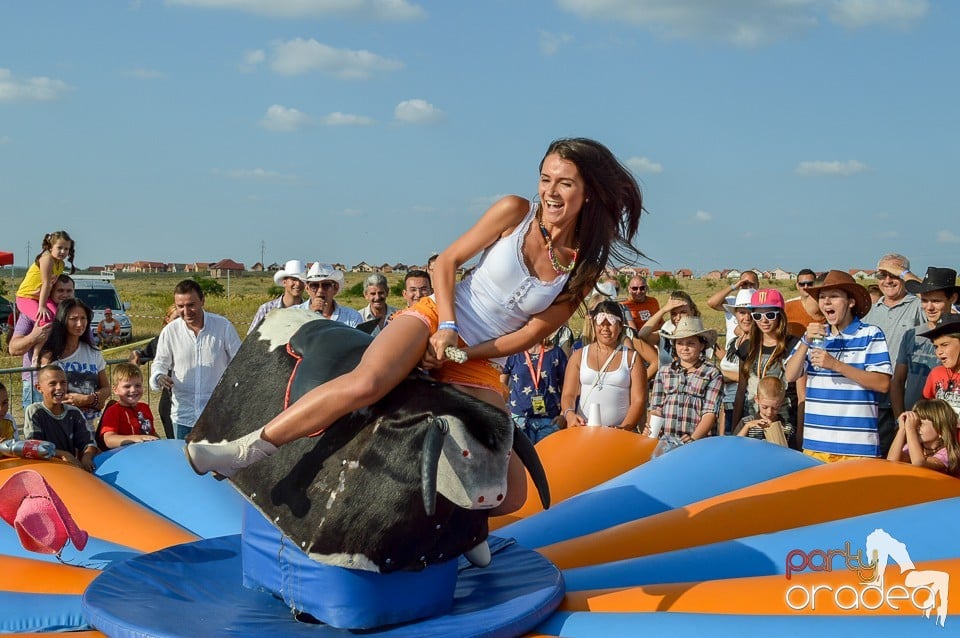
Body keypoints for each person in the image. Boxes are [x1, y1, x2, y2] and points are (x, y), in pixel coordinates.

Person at [186, 137, 645, 514]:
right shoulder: (514, 211)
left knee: (512, 491)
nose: (550, 191)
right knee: (367, 383)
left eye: (564, 183)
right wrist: (445, 327)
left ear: (588, 194)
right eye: (545, 178)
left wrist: (464, 353)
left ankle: (456, 531)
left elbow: (529, 335)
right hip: (437, 315)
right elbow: (447, 262)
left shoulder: (582, 269)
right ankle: (245, 450)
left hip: (478, 357)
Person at [785, 270, 892, 461]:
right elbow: (790, 376)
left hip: (858, 447)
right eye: (822, 297)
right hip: (816, 444)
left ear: (851, 302)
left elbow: (882, 383)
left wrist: (835, 365)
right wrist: (806, 341)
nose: (826, 302)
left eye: (834, 296)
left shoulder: (870, 334)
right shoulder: (814, 335)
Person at [150, 279, 241, 440]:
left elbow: (240, 363)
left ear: (202, 300)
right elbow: (160, 363)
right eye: (180, 306)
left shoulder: (223, 326)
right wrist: (159, 376)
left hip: (217, 415)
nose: (186, 311)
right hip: (183, 416)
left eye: (191, 305)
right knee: (184, 463)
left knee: (216, 464)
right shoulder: (170, 331)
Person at [864, 253, 925, 456]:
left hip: (910, 399)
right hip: (877, 400)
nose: (888, 281)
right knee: (878, 456)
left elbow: (930, 294)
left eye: (894, 275)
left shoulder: (918, 305)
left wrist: (905, 273)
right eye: (882, 275)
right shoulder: (871, 311)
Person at [560, 300, 647, 430]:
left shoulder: (632, 358)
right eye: (601, 324)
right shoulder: (579, 356)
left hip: (619, 432)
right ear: (594, 325)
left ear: (620, 326)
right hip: (583, 429)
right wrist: (570, 414)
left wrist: (624, 428)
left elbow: (638, 400)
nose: (605, 328)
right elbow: (568, 394)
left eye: (610, 324)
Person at [732, 289, 800, 446]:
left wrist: (800, 437)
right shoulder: (747, 347)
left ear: (780, 315)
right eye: (757, 315)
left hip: (784, 425)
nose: (764, 320)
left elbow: (801, 395)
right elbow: (741, 389)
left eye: (770, 315)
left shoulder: (793, 345)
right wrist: (733, 430)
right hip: (751, 424)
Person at [891, 267, 959, 421]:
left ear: (952, 299)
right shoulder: (911, 335)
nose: (929, 307)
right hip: (913, 420)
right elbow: (898, 381)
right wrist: (899, 419)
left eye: (936, 301)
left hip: (948, 423)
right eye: (924, 300)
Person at [643, 316, 723, 443]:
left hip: (698, 441)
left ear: (702, 345)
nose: (685, 348)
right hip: (666, 439)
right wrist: (652, 429)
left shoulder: (712, 373)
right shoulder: (664, 371)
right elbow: (656, 408)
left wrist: (693, 439)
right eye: (680, 343)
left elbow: (710, 413)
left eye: (691, 343)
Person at [37, 298, 110, 434]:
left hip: (89, 428)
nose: (79, 323)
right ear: (63, 319)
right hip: (59, 426)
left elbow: (106, 389)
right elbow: (48, 393)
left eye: (83, 318)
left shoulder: (93, 352)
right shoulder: (50, 355)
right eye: (73, 318)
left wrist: (89, 399)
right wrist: (95, 402)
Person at [8, 274, 75, 410]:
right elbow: (13, 348)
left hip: (71, 380)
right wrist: (34, 336)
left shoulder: (78, 314)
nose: (65, 295)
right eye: (60, 291)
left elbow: (90, 345)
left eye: (69, 291)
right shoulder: (32, 313)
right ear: (50, 292)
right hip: (36, 383)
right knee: (36, 428)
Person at [24, 365, 98, 471]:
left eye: (63, 382)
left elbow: (89, 443)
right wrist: (63, 454)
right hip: (47, 469)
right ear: (39, 388)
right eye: (52, 383)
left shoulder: (74, 412)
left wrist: (86, 457)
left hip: (71, 469)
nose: (59, 387)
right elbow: (35, 446)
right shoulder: (35, 411)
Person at [501, 333, 568, 443]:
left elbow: (567, 387)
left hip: (550, 420)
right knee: (523, 459)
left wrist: (563, 415)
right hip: (519, 419)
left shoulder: (557, 353)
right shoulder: (512, 354)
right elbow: (500, 387)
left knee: (546, 458)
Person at [131, 304, 180, 439]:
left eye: (182, 318)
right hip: (169, 401)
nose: (179, 322)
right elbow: (144, 353)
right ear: (167, 320)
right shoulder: (160, 341)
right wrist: (136, 353)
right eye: (176, 318)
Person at [15, 230, 76, 327]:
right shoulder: (47, 259)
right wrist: (42, 307)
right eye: (59, 248)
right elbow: (46, 283)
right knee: (44, 320)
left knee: (59, 318)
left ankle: (58, 341)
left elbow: (51, 284)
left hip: (42, 297)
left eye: (66, 249)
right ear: (51, 247)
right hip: (27, 297)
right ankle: (38, 341)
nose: (63, 252)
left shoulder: (60, 264)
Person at [886, 399, 959, 475]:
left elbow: (919, 463)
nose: (916, 427)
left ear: (940, 430)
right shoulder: (913, 447)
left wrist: (911, 429)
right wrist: (902, 429)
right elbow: (892, 461)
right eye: (915, 423)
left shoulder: (946, 453)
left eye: (920, 423)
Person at [718, 289, 755, 434]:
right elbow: (741, 387)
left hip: (756, 407)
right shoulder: (737, 342)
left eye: (751, 311)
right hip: (732, 403)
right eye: (742, 312)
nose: (747, 317)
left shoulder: (763, 342)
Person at [97, 363, 159, 449]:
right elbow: (109, 440)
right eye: (127, 386)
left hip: (145, 453)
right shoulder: (113, 411)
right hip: (122, 456)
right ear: (115, 390)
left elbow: (151, 432)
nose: (133, 390)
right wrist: (135, 439)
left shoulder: (145, 407)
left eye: (138, 385)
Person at [248, 259, 306, 335]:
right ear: (284, 282)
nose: (298, 284)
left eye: (301, 280)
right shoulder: (266, 309)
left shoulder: (308, 311)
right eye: (293, 279)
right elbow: (251, 339)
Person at [918, 314, 960, 419]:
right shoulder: (936, 373)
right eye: (936, 347)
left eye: (945, 345)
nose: (939, 352)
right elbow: (924, 409)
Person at [733, 375, 793, 447]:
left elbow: (792, 455)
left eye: (775, 408)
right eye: (765, 407)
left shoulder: (787, 428)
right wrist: (747, 427)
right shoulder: (746, 422)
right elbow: (735, 445)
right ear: (756, 400)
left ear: (782, 403)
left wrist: (781, 434)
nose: (769, 412)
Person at [299, 263, 363, 328]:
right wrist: (312, 314)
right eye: (314, 285)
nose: (320, 290)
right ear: (307, 289)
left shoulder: (352, 317)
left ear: (335, 288)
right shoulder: (294, 314)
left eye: (326, 285)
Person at [706, 271, 760, 346]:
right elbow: (711, 303)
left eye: (752, 284)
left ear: (758, 285)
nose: (748, 287)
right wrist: (733, 287)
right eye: (744, 284)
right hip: (731, 350)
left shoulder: (761, 304)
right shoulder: (733, 302)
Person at [784, 269, 822, 338]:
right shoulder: (787, 306)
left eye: (810, 284)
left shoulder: (824, 306)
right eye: (802, 284)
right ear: (797, 286)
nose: (806, 287)